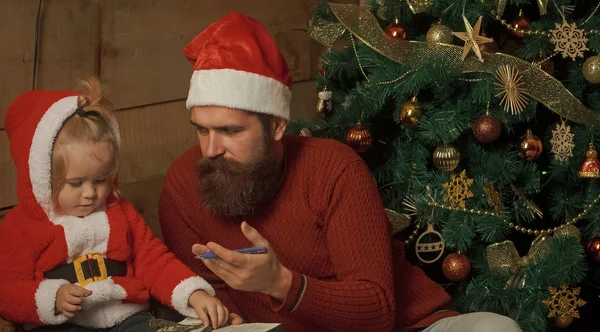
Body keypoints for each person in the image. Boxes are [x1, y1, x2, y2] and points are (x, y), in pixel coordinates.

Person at [159, 11, 523, 332]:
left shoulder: (335, 169)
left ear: (276, 127)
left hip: (405, 327)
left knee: (497, 327)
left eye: (231, 131)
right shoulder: (183, 185)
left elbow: (377, 312)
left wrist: (282, 283)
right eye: (202, 129)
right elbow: (205, 295)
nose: (211, 149)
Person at [0, 78, 241, 331]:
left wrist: (194, 294)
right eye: (75, 183)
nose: (90, 194)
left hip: (127, 318)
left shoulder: (120, 213)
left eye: (101, 180)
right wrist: (53, 298)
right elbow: (5, 289)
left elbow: (154, 262)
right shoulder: (22, 227)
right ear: (43, 178)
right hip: (62, 324)